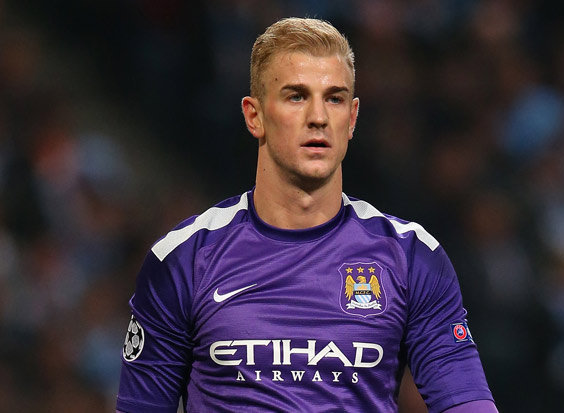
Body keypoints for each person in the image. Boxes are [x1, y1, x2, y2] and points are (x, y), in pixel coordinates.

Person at [116, 17, 498, 413]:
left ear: (352, 118)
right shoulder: (184, 259)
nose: (318, 117)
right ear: (254, 116)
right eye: (296, 96)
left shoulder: (411, 256)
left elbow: (467, 402)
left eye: (334, 99)